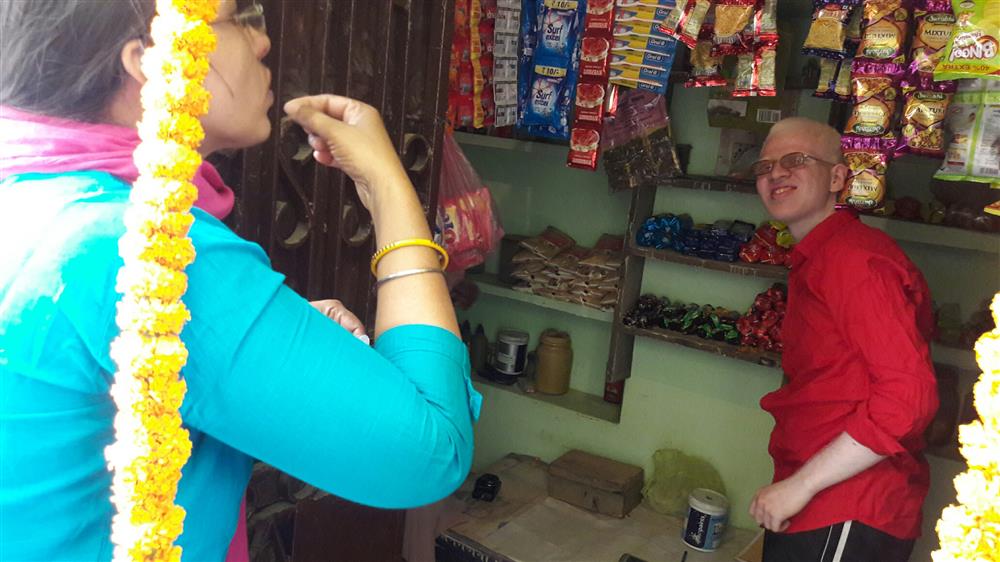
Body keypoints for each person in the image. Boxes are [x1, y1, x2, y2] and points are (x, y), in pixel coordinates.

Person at [0, 1, 481, 561]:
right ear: (149, 61)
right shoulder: (144, 249)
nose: (263, 42)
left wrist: (280, 335)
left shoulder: (37, 198)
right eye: (241, 17)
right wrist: (386, 183)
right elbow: (430, 451)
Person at [747, 117, 939, 561]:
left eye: (796, 161)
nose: (776, 173)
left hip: (849, 504)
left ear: (837, 177)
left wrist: (802, 486)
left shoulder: (853, 261)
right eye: (765, 166)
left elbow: (908, 398)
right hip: (820, 494)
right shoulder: (822, 254)